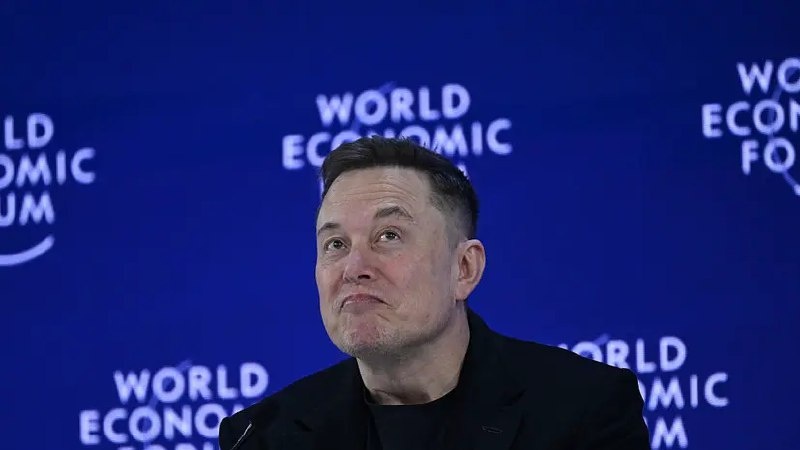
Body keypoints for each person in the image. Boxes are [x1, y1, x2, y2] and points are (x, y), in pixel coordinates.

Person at [218, 136, 650, 450]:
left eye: (388, 235)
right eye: (335, 244)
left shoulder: (582, 410)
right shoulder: (263, 437)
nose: (353, 268)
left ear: (464, 269)